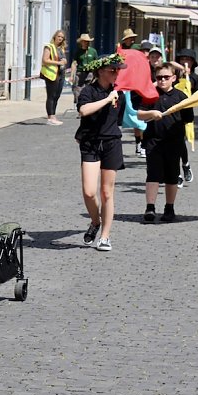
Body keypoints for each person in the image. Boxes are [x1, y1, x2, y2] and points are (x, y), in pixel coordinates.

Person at [74, 53, 128, 252]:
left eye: (118, 70)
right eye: (113, 69)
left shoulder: (120, 95)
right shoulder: (89, 91)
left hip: (111, 144)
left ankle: (105, 236)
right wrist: (107, 99)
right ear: (100, 71)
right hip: (90, 144)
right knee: (89, 192)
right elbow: (83, 110)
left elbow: (118, 121)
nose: (116, 73)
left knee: (106, 192)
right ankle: (95, 221)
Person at [137, 63, 194, 223]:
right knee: (153, 174)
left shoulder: (181, 97)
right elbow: (139, 114)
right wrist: (151, 113)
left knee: (172, 176)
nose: (162, 80)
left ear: (173, 78)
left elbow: (188, 118)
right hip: (153, 141)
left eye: (166, 77)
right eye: (159, 77)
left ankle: (169, 208)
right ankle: (150, 207)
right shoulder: (150, 95)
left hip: (174, 142)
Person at [170, 48, 198, 184]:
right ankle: (176, 174)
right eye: (182, 59)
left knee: (180, 141)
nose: (185, 61)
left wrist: (185, 74)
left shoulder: (194, 77)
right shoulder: (172, 75)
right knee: (171, 142)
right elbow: (168, 63)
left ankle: (185, 164)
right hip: (171, 110)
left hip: (185, 112)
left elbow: (190, 87)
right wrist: (180, 69)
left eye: (188, 59)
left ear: (193, 62)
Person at [40, 30, 67, 125]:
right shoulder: (49, 47)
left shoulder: (61, 48)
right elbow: (45, 60)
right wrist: (58, 63)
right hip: (51, 74)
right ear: (55, 36)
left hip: (61, 73)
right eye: (58, 36)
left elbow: (63, 59)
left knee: (57, 95)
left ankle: (53, 116)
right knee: (51, 96)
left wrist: (64, 61)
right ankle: (50, 117)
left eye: (62, 37)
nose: (60, 38)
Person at [69, 33, 98, 101]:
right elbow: (74, 63)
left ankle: (88, 103)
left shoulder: (93, 51)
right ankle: (79, 103)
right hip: (80, 73)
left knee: (90, 90)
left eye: (88, 41)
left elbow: (97, 63)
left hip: (90, 74)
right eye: (85, 41)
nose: (87, 43)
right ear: (81, 42)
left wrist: (96, 74)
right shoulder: (78, 51)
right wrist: (71, 76)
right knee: (77, 90)